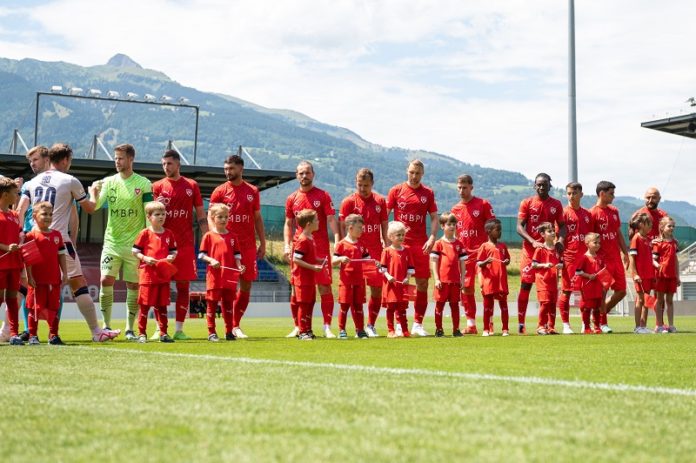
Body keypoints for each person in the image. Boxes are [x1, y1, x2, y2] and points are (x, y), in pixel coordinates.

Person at [19, 143, 119, 342]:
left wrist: (21, 236)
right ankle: (96, 332)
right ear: (65, 160)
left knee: (25, 285)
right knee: (78, 283)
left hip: (34, 240)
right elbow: (90, 208)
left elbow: (20, 211)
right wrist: (94, 193)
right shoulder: (70, 180)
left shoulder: (32, 182)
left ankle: (9, 330)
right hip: (58, 241)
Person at [88, 143, 152, 340]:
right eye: (115, 158)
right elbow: (94, 207)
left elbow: (149, 215)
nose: (117, 161)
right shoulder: (108, 182)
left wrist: (149, 242)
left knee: (133, 286)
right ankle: (106, 326)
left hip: (135, 245)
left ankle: (130, 329)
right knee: (105, 280)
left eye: (121, 158)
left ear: (131, 159)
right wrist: (94, 193)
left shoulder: (143, 183)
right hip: (112, 243)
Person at [151, 150, 207, 340]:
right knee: (161, 288)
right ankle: (160, 329)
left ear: (178, 164)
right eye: (163, 164)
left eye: (169, 164)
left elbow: (201, 214)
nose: (166, 167)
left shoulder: (192, 185)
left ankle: (179, 329)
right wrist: (156, 205)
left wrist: (208, 237)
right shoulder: (157, 186)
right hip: (162, 245)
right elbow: (150, 216)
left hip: (185, 245)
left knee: (183, 287)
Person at [209, 154, 265, 338]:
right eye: (226, 169)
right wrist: (215, 237)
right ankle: (223, 327)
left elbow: (257, 218)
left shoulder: (252, 191)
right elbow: (210, 216)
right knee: (228, 287)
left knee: (246, 285)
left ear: (241, 168)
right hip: (227, 246)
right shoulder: (219, 191)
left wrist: (263, 242)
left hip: (248, 246)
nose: (228, 172)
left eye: (231, 168)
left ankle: (235, 325)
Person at [283, 161, 339, 338]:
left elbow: (331, 219)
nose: (304, 176)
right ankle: (298, 326)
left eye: (307, 172)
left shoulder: (323, 195)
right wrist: (286, 245)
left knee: (324, 287)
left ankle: (327, 327)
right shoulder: (291, 198)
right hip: (300, 248)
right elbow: (288, 223)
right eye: (301, 173)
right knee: (297, 289)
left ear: (313, 174)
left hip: (320, 248)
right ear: (296, 175)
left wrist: (337, 240)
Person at [386, 160, 438, 336]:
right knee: (400, 284)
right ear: (406, 171)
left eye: (418, 173)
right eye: (412, 172)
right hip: (400, 245)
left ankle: (418, 323)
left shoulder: (428, 193)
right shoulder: (396, 190)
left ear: (422, 174)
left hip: (420, 245)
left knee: (422, 283)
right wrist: (385, 239)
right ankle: (399, 324)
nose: (414, 176)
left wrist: (432, 237)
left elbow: (434, 217)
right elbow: (384, 215)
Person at [339, 168, 388, 337]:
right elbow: (341, 226)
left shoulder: (380, 201)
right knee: (355, 293)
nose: (362, 188)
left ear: (372, 184)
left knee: (377, 290)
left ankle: (370, 325)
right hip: (354, 254)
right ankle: (355, 328)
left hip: (374, 253)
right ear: (356, 183)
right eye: (360, 185)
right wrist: (342, 245)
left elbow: (384, 225)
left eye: (366, 185)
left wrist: (387, 246)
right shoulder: (348, 202)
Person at [516, 173, 566, 334]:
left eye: (545, 184)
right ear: (534, 186)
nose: (542, 187)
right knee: (526, 284)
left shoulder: (556, 204)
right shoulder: (527, 203)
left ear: (550, 186)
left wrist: (560, 240)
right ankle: (521, 325)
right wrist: (532, 241)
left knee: (550, 290)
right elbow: (519, 227)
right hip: (530, 251)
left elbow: (562, 226)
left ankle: (549, 326)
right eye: (539, 184)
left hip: (549, 251)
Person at [450, 174, 495, 334]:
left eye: (465, 187)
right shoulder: (455, 210)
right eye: (459, 188)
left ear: (471, 187)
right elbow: (454, 234)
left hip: (482, 254)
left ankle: (489, 324)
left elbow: (492, 227)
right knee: (466, 288)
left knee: (486, 289)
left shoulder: (483, 204)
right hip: (465, 257)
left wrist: (491, 248)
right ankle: (471, 325)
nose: (461, 190)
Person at [132, 202, 178, 343]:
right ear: (149, 217)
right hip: (147, 275)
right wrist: (145, 258)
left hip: (163, 275)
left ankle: (163, 333)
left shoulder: (169, 233)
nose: (161, 217)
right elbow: (135, 251)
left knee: (162, 306)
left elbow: (174, 251)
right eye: (157, 214)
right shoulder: (145, 233)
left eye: (163, 214)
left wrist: (171, 257)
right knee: (144, 306)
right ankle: (142, 334)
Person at [198, 204, 244, 342]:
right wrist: (211, 260)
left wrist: (240, 266)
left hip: (229, 277)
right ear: (213, 218)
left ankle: (229, 332)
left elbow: (237, 255)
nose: (223, 219)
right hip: (214, 277)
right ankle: (211, 332)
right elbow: (201, 255)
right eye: (220, 217)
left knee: (228, 304)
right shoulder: (208, 236)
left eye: (226, 217)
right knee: (212, 304)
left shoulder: (233, 236)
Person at [25, 202, 68, 345]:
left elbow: (61, 256)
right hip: (37, 281)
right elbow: (28, 259)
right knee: (34, 309)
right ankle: (33, 336)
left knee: (54, 308)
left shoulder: (57, 235)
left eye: (50, 214)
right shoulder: (31, 235)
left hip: (54, 279)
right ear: (34, 216)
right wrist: (29, 276)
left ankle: (53, 336)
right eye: (44, 214)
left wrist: (65, 273)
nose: (48, 217)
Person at [589, 181, 629, 333]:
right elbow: (590, 238)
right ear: (602, 194)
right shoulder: (592, 213)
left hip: (616, 258)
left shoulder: (614, 211)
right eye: (611, 193)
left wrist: (625, 253)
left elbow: (618, 233)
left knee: (622, 291)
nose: (614, 196)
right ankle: (602, 322)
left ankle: (599, 313)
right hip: (602, 259)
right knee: (603, 291)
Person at [557, 182, 593, 334]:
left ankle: (585, 324)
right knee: (567, 291)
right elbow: (558, 238)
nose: (571, 196)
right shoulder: (563, 214)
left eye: (574, 193)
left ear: (581, 194)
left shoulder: (587, 215)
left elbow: (591, 238)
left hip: (585, 259)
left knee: (586, 292)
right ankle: (566, 325)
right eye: (569, 193)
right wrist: (559, 259)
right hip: (569, 258)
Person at [332, 214, 370, 339]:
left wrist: (373, 263)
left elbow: (367, 260)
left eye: (362, 228)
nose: (361, 230)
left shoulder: (362, 244)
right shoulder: (341, 244)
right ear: (350, 228)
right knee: (344, 305)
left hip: (359, 281)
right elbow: (333, 261)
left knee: (358, 305)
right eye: (359, 228)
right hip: (346, 281)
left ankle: (360, 330)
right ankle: (341, 330)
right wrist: (341, 258)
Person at [429, 212, 467, 337]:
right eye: (449, 224)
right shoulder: (438, 244)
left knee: (455, 305)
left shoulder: (459, 244)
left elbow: (462, 263)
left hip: (455, 281)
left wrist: (462, 279)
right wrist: (437, 279)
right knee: (439, 305)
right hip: (442, 282)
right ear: (442, 226)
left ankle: (456, 330)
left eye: (454, 224)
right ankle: (439, 329)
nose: (452, 227)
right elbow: (434, 262)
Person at [290, 209, 324, 341]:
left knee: (310, 303)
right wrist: (313, 267)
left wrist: (319, 260)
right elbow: (296, 259)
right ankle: (302, 332)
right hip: (302, 279)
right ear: (309, 224)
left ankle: (308, 330)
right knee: (304, 305)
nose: (319, 222)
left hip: (310, 278)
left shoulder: (311, 237)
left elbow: (308, 257)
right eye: (316, 220)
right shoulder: (303, 239)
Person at [476, 218, 511, 337]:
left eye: (500, 230)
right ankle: (486, 329)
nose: (500, 232)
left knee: (504, 305)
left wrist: (506, 261)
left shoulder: (502, 246)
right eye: (497, 230)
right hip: (489, 281)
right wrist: (486, 261)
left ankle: (505, 329)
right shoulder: (484, 246)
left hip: (501, 281)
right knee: (487, 306)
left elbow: (507, 259)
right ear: (489, 231)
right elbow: (479, 263)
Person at [380, 221, 414, 338]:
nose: (401, 237)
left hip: (402, 286)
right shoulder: (387, 251)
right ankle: (391, 330)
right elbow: (383, 268)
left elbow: (410, 268)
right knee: (391, 308)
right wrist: (389, 276)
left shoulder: (407, 251)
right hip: (391, 286)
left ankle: (405, 330)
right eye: (398, 235)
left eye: (403, 235)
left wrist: (407, 278)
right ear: (390, 237)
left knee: (402, 309)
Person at [0, 178, 24, 345]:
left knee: (12, 300)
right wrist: (6, 247)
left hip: (14, 264)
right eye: (15, 193)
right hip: (1, 265)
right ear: (5, 195)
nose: (17, 196)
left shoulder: (14, 215)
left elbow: (18, 233)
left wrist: (21, 239)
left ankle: (14, 334)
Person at [531, 222, 563, 335]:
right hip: (543, 282)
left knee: (553, 304)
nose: (553, 233)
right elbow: (533, 264)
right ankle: (540, 327)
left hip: (554, 282)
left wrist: (561, 265)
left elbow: (562, 262)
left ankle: (551, 327)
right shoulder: (540, 249)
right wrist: (544, 265)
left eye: (554, 230)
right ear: (542, 234)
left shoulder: (557, 249)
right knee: (545, 303)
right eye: (550, 231)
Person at [628, 213, 655, 334]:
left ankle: (643, 326)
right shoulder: (636, 239)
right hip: (640, 276)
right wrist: (635, 274)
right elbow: (632, 258)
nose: (651, 226)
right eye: (649, 224)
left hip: (649, 275)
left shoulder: (649, 240)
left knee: (646, 301)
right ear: (641, 225)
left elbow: (649, 258)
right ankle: (637, 327)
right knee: (640, 299)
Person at [652, 216, 679, 333]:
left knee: (670, 301)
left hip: (672, 276)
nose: (672, 228)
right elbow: (653, 259)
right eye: (669, 226)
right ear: (662, 227)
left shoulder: (675, 243)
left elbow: (676, 261)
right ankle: (659, 325)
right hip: (661, 276)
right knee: (660, 301)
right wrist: (658, 266)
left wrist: (678, 276)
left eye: (673, 226)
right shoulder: (658, 243)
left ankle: (671, 325)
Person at [574, 233, 604, 334]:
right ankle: (586, 327)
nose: (598, 245)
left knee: (597, 307)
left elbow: (602, 270)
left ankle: (597, 326)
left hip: (598, 287)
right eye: (595, 242)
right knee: (587, 307)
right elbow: (578, 272)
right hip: (588, 287)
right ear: (587, 243)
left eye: (599, 243)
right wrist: (588, 275)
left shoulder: (600, 257)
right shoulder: (584, 257)